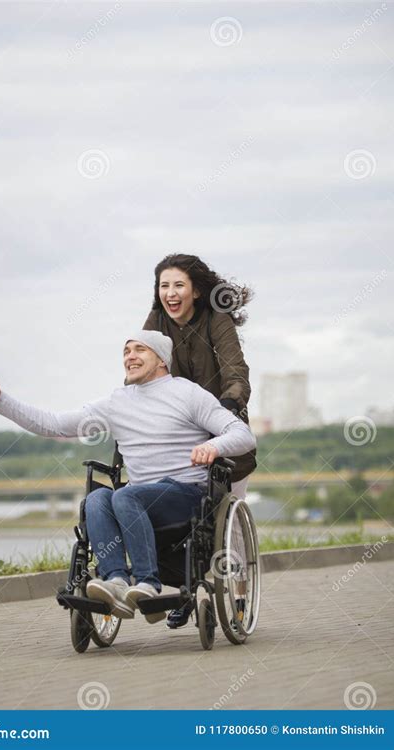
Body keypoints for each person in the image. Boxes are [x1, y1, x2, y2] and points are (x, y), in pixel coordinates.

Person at [0, 330, 256, 623]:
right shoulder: (116, 403)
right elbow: (54, 425)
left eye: (140, 350)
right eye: (126, 351)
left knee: (124, 495)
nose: (130, 357)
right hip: (136, 500)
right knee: (97, 499)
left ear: (161, 360)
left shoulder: (188, 394)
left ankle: (148, 583)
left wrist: (213, 446)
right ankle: (117, 582)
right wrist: (1, 400)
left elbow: (241, 435)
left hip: (186, 495)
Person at [143, 253, 256, 626]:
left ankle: (238, 596)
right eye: (164, 286)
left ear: (195, 291)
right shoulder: (156, 322)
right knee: (168, 510)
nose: (171, 294)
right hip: (173, 435)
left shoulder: (215, 320)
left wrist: (227, 406)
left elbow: (235, 370)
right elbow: (141, 364)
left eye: (179, 285)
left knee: (227, 524)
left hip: (220, 430)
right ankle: (183, 587)